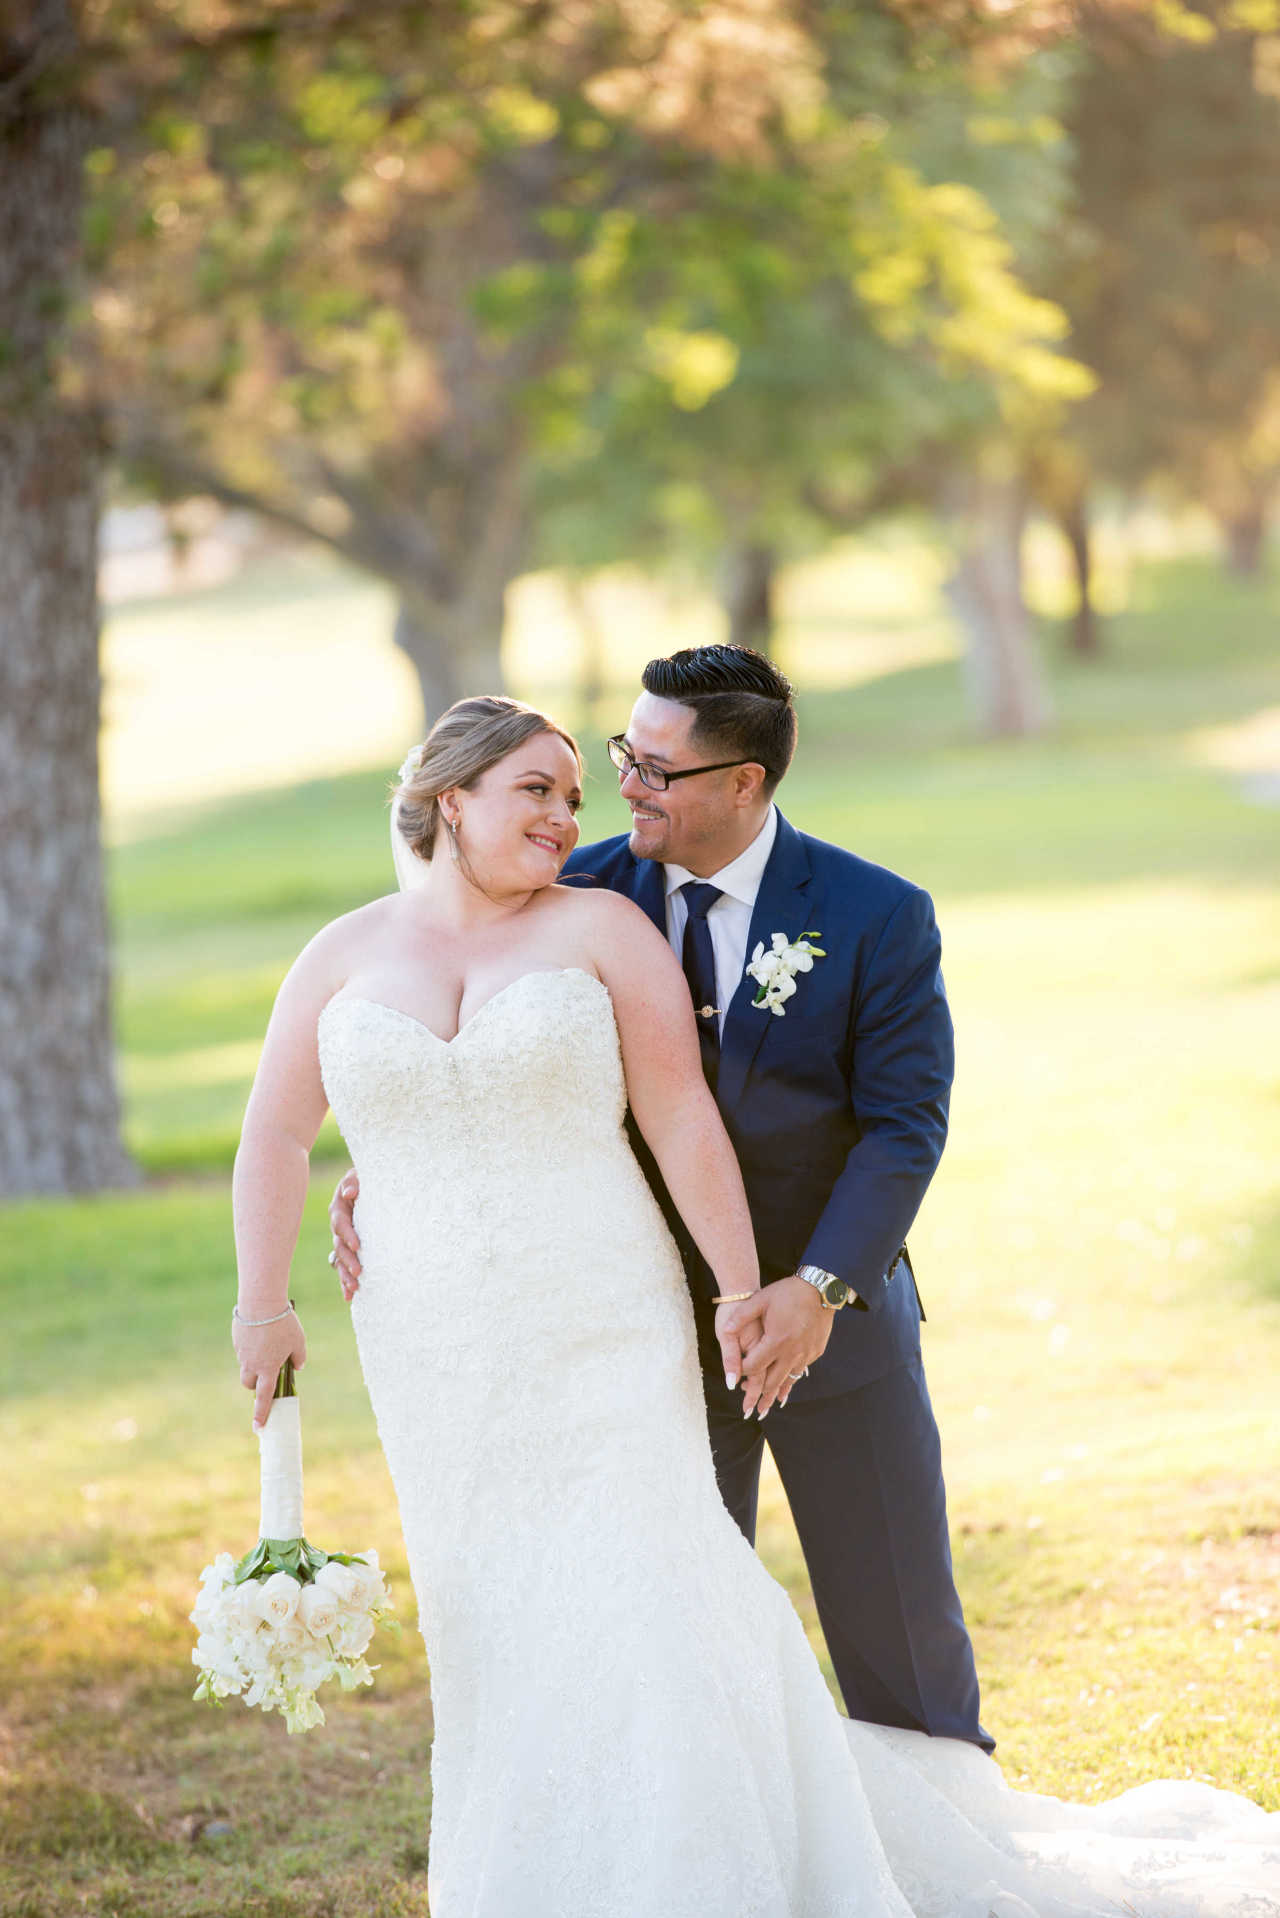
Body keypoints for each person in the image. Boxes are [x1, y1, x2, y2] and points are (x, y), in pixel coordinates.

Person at [237, 694, 1279, 1918]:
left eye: (579, 792)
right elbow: (276, 1128)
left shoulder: (600, 923)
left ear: (742, 777)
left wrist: (746, 1288)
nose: (573, 812)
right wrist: (269, 1298)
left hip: (603, 1317)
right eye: (542, 789)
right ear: (447, 795)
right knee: (489, 1606)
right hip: (434, 1345)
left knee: (654, 1585)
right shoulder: (343, 953)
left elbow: (682, 1117)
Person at [334, 645, 989, 1755]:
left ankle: (945, 1838)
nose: (624, 783)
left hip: (830, 1320)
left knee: (899, 1635)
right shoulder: (570, 890)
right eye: (621, 754)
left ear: (742, 783)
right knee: (678, 1640)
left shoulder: (878, 913)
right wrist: (393, 1160)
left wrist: (817, 1287)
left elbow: (902, 1127)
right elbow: (466, 1036)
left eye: (654, 767)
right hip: (634, 1338)